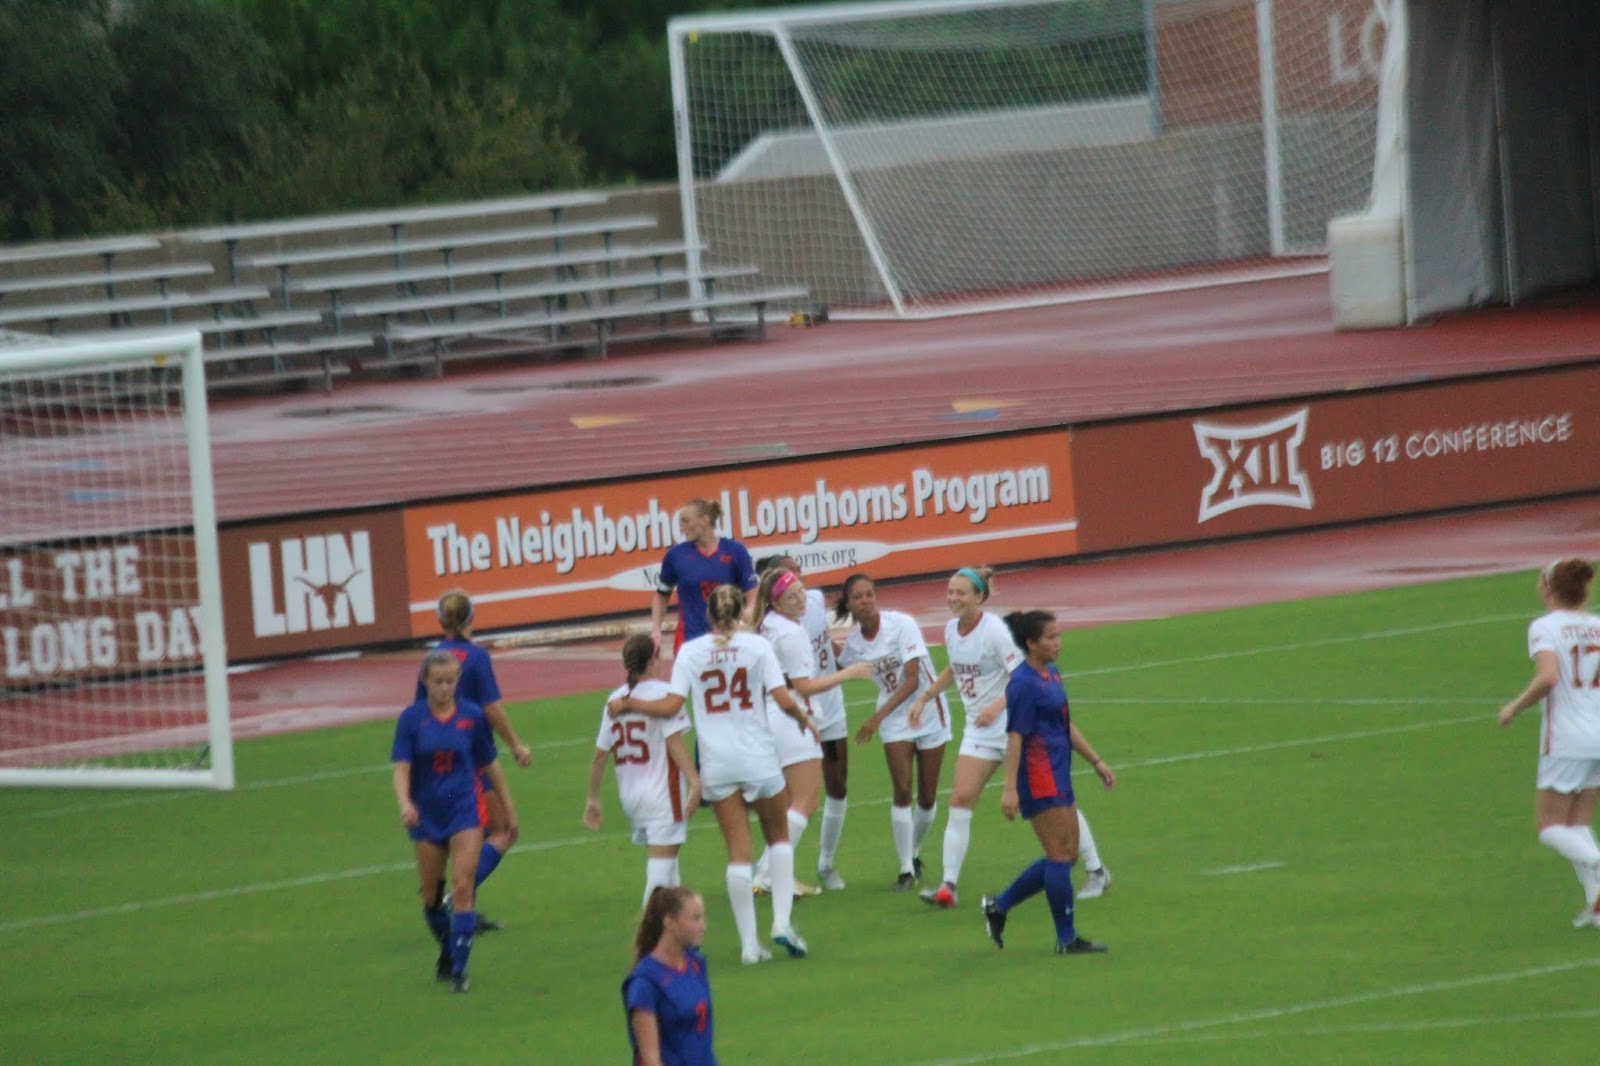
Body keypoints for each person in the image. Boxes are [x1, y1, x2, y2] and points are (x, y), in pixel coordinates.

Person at [613, 584, 819, 964]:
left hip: (718, 763)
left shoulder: (691, 652)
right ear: (741, 612)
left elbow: (671, 705)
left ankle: (749, 946)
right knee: (778, 838)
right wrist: (804, 720)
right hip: (757, 756)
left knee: (738, 852)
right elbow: (782, 698)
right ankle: (781, 922)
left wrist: (629, 704)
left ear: (708, 614)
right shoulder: (757, 646)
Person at [908, 566, 1111, 908]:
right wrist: (926, 696)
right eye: (950, 592)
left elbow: (1022, 675)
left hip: (1018, 728)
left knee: (1056, 804)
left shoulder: (995, 631)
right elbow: (955, 668)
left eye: (960, 592)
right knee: (960, 799)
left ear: (979, 597)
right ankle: (948, 886)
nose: (953, 598)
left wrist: (996, 706)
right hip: (979, 731)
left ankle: (1097, 870)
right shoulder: (951, 630)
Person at [980, 609, 1114, 956]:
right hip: (1038, 776)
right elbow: (1015, 737)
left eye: (1058, 635)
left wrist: (1095, 760)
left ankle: (1000, 906)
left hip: (1059, 770)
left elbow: (1064, 725)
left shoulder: (1051, 674)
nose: (1058, 643)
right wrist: (1009, 788)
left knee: (1067, 856)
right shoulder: (1023, 684)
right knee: (1059, 855)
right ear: (1031, 643)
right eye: (1051, 637)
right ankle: (1066, 938)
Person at [392, 650, 517, 992]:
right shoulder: (411, 720)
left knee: (463, 885)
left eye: (450, 682)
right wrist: (405, 803)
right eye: (438, 682)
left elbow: (490, 764)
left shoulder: (472, 716)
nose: (445, 688)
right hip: (427, 814)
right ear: (425, 682)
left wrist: (507, 808)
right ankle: (448, 950)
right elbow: (401, 769)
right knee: (431, 900)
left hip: (464, 810)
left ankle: (459, 972)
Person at [748, 564, 873, 895]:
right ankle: (770, 874)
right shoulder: (791, 633)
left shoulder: (767, 624)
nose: (801, 599)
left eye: (801, 591)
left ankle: (767, 871)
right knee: (805, 799)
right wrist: (847, 674)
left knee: (790, 800)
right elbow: (803, 685)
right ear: (776, 601)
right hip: (791, 716)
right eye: (792, 596)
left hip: (771, 715)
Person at [417, 589, 531, 932]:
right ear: (471, 617)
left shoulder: (432, 659)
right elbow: (491, 707)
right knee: (505, 830)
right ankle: (458, 897)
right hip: (472, 761)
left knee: (466, 835)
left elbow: (418, 711)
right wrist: (516, 745)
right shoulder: (477, 658)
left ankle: (465, 906)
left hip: (434, 763)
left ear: (440, 621)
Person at [1497, 558, 1600, 927]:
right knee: (1576, 822)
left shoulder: (1545, 627)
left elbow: (1548, 678)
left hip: (1568, 739)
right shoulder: (1597, 625)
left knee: (1549, 826)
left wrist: (1514, 707)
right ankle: (1596, 902)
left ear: (1547, 587)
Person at [835, 572, 951, 889]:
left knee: (927, 796)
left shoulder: (901, 624)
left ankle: (913, 851)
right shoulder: (854, 645)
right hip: (895, 720)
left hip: (927, 710)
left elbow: (912, 680)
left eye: (869, 594)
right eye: (858, 597)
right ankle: (905, 869)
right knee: (902, 789)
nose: (865, 601)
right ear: (849, 604)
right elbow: (836, 664)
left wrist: (875, 718)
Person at [585, 634, 703, 908]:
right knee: (659, 878)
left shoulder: (615, 699)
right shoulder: (664, 694)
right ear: (653, 660)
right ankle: (648, 932)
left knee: (670, 871)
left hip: (631, 796)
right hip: (663, 795)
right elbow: (674, 741)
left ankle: (675, 931)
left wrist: (593, 798)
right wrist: (695, 781)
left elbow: (600, 754)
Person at [650, 498, 757, 658]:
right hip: (689, 640)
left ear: (705, 519)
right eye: (680, 523)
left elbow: (753, 596)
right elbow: (661, 595)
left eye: (686, 521)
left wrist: (744, 621)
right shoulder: (675, 556)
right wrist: (656, 630)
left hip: (729, 639)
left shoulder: (735, 551)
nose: (682, 528)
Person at [623, 886, 717, 1066]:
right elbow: (650, 1060)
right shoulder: (644, 983)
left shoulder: (696, 963)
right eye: (695, 919)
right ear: (670, 922)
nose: (703, 926)